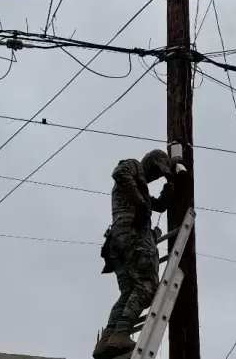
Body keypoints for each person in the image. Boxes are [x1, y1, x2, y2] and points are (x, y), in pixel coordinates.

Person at [93, 149, 176, 359]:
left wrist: (170, 184)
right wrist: (140, 205)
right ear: (151, 163)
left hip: (118, 244)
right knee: (147, 285)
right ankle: (121, 333)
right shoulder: (133, 166)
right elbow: (119, 173)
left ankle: (108, 338)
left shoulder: (141, 188)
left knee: (129, 291)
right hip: (130, 237)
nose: (156, 176)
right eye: (157, 172)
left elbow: (160, 206)